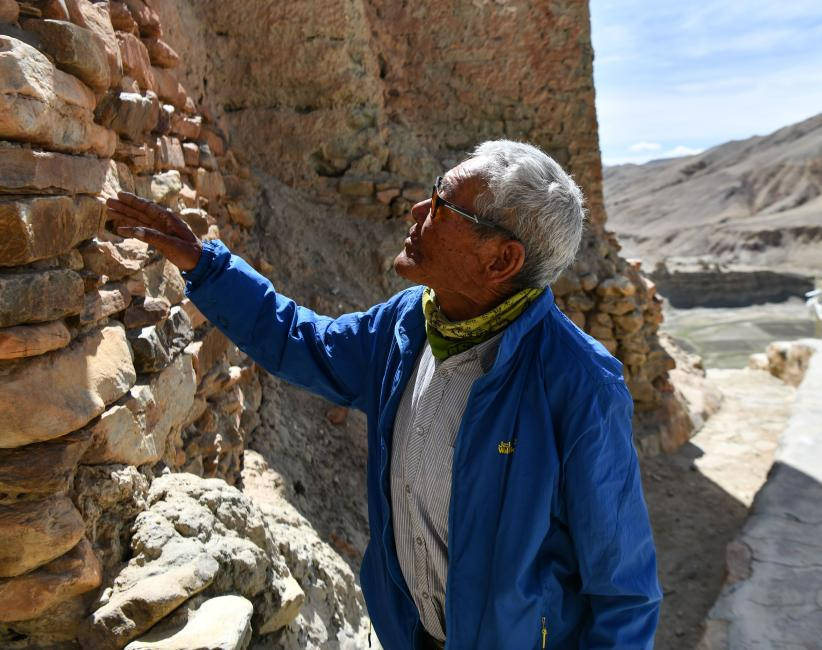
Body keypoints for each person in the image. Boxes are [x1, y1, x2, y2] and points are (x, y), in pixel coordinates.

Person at [106, 140, 662, 649]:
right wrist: (206, 265)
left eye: (442, 206)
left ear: (501, 260)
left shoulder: (580, 384)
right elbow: (302, 341)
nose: (418, 212)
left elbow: (624, 594)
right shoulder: (407, 326)